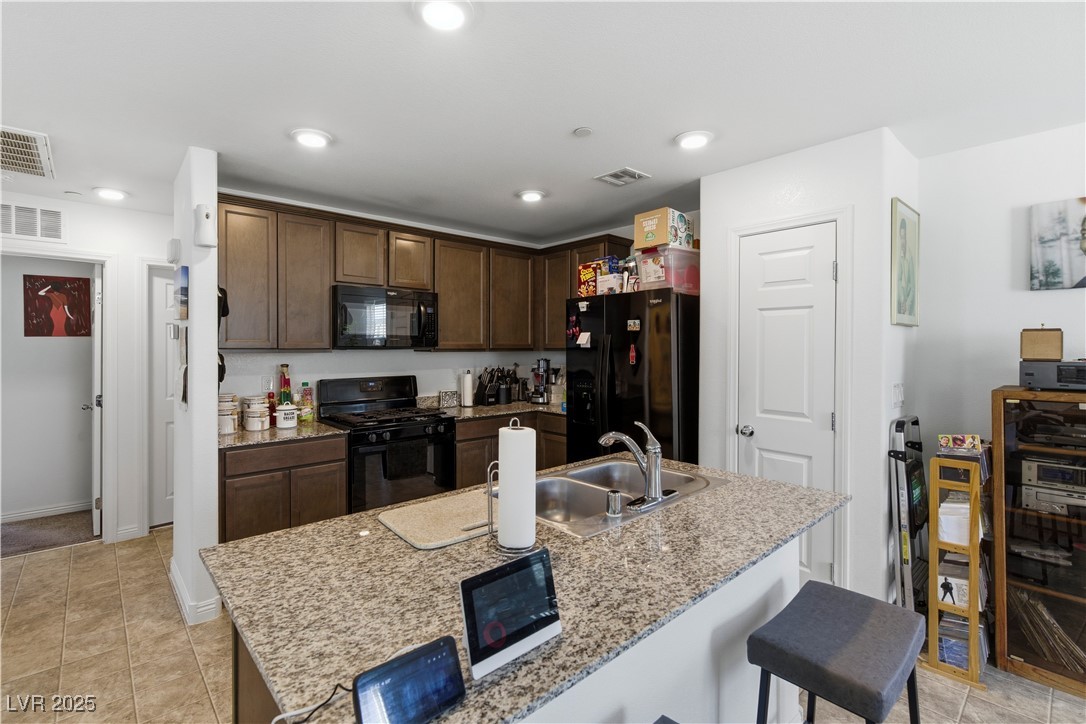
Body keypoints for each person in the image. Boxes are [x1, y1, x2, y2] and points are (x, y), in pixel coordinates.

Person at [896, 218, 916, 317]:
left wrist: (907, 304)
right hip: (902, 301)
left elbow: (913, 287)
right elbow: (899, 280)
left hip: (908, 306)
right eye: (901, 237)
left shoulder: (910, 258)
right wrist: (902, 298)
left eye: (904, 237)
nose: (902, 241)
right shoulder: (899, 256)